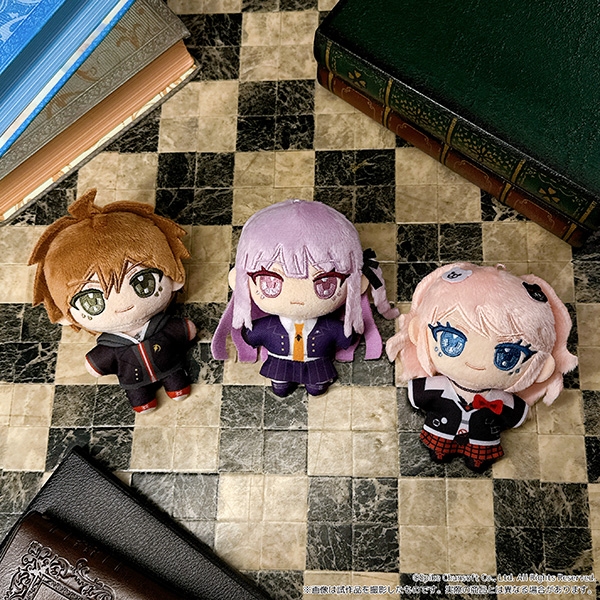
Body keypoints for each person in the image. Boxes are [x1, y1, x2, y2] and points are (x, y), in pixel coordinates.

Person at [385, 262, 578, 471]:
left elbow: (517, 414)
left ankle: (476, 460)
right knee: (439, 449)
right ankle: (442, 451)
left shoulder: (500, 399)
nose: (476, 362)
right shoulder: (441, 387)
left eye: (508, 356)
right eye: (451, 341)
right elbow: (417, 395)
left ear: (542, 368)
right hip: (440, 431)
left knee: (479, 459)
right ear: (418, 332)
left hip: (482, 442)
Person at [29, 189, 196, 414]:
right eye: (92, 301)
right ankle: (143, 401)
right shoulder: (110, 347)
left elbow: (185, 330)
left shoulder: (161, 326)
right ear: (64, 314)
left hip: (172, 368)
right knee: (140, 398)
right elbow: (96, 364)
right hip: (134, 383)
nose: (122, 304)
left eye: (143, 281)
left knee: (177, 383)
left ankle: (176, 388)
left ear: (174, 277)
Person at [211, 199, 398, 396]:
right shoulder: (270, 327)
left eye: (326, 284)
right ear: (238, 280)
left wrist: (347, 334)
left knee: (317, 386)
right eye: (270, 282)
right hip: (280, 365)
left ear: (358, 283)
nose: (297, 298)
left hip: (317, 365)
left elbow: (345, 337)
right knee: (280, 385)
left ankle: (314, 384)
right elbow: (252, 335)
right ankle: (282, 383)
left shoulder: (326, 327)